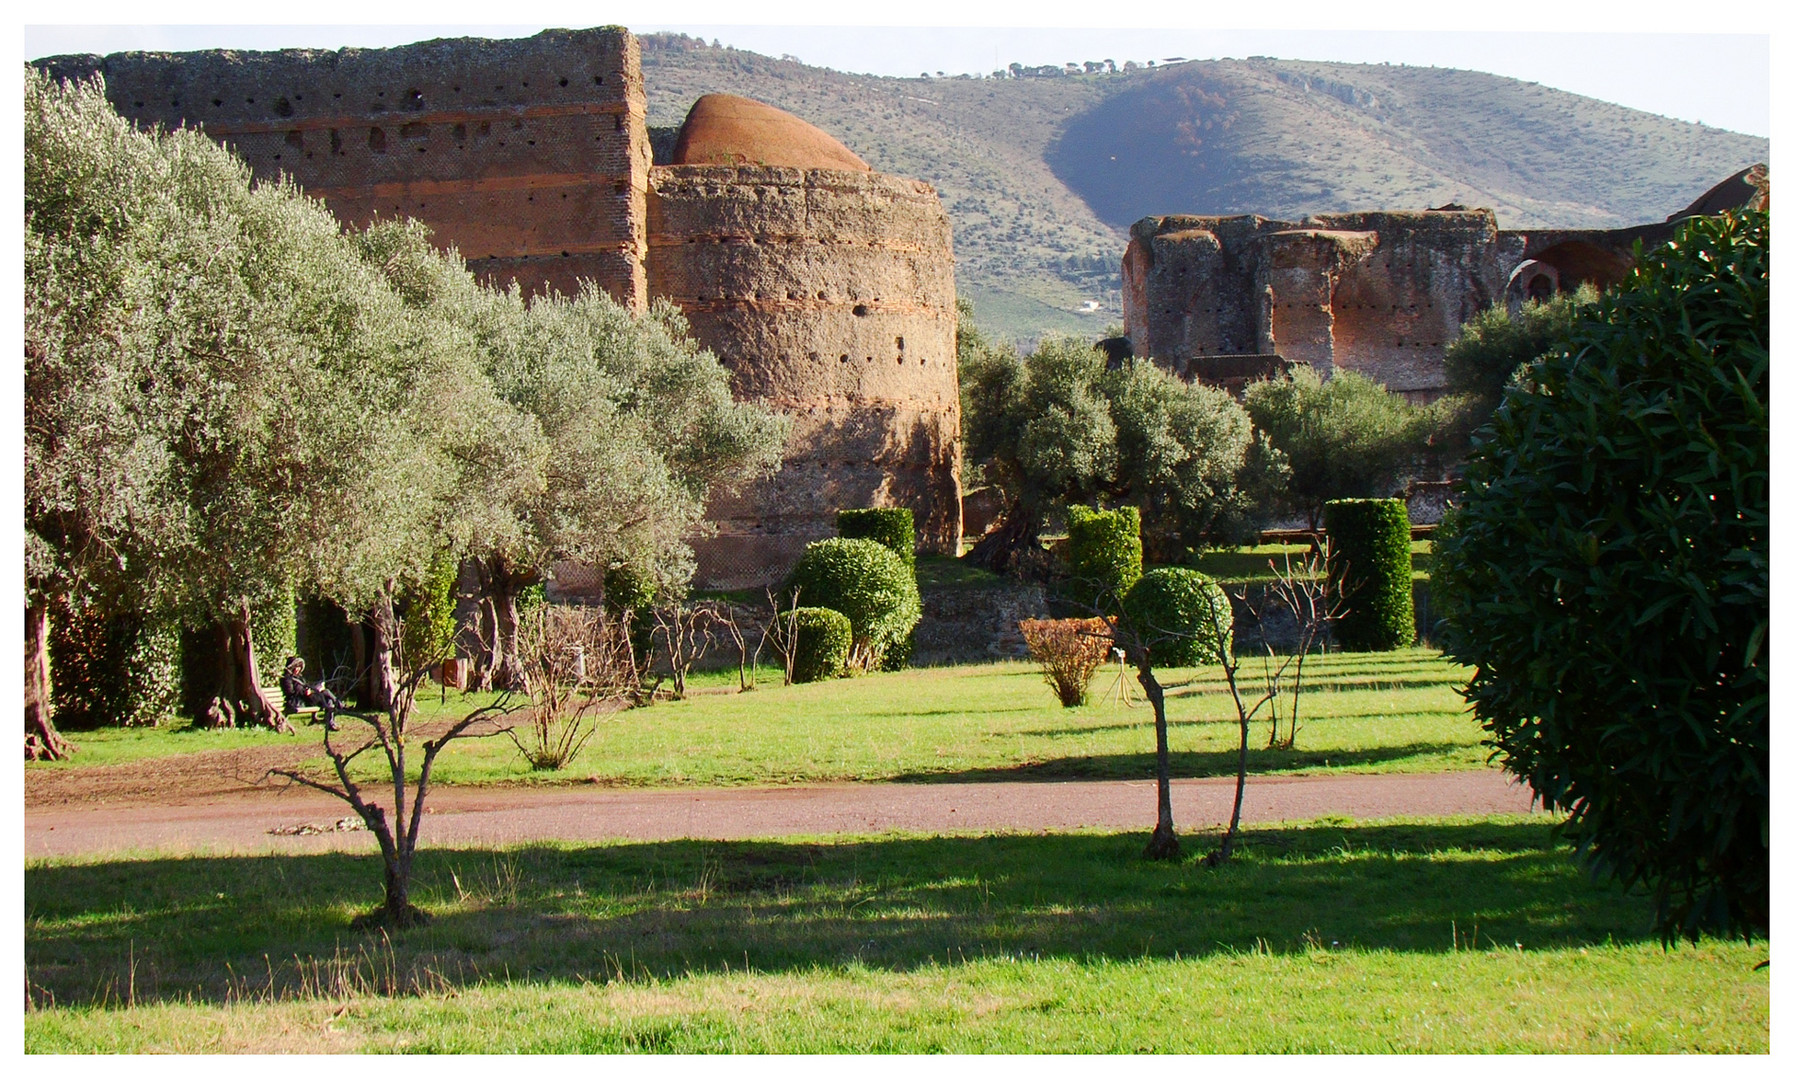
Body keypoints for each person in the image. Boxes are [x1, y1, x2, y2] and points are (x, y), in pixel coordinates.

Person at [279, 656, 343, 732]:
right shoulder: (287, 679)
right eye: (295, 667)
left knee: (328, 699)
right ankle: (341, 706)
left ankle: (330, 723)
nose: (297, 669)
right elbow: (290, 692)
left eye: (299, 667)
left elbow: (306, 686)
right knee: (326, 692)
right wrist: (305, 692)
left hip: (307, 698)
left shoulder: (299, 678)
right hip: (299, 701)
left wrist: (312, 689)